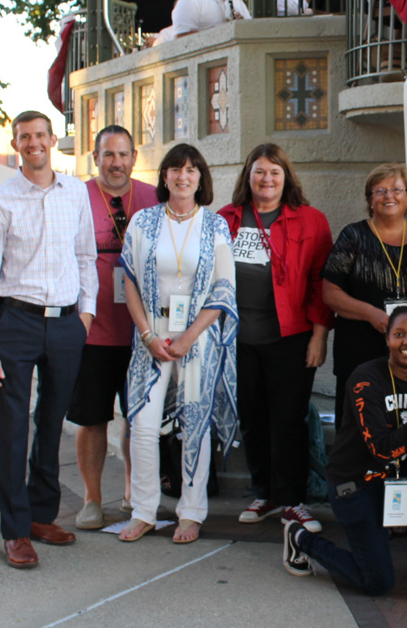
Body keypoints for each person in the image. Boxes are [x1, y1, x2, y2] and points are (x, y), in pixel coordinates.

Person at [283, 305, 407, 596]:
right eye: (399, 334)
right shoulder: (366, 379)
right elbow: (381, 450)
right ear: (387, 338)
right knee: (378, 582)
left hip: (395, 478)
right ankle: (302, 539)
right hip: (355, 483)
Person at [119, 144, 237, 545]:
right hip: (151, 335)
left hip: (197, 339)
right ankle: (144, 510)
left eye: (191, 170)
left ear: (201, 178)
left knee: (195, 424)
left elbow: (223, 291)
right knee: (144, 424)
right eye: (175, 169)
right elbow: (130, 282)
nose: (183, 176)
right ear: (164, 176)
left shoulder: (215, 225)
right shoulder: (143, 221)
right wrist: (149, 335)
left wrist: (188, 337)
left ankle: (191, 512)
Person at [0, 111, 97, 569]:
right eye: (25, 137)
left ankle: (40, 516)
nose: (33, 143)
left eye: (40, 135)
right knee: (12, 428)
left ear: (53, 139)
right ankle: (15, 530)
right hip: (14, 322)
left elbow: (85, 255)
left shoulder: (75, 191)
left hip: (65, 324)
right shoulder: (2, 198)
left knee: (53, 422)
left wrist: (87, 315)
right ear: (16, 144)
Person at [219, 144, 333, 529]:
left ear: (286, 177)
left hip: (291, 337)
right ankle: (264, 494)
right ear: (247, 177)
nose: (266, 179)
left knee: (289, 419)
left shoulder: (311, 221)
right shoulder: (226, 219)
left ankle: (293, 500)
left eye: (274, 172)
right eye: (259, 172)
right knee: (252, 416)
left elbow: (321, 283)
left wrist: (320, 338)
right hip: (237, 340)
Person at [68, 125, 158, 530]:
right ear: (95, 157)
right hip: (92, 330)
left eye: (123, 154)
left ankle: (130, 493)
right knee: (92, 418)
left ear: (134, 157)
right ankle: (91, 499)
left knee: (138, 416)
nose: (116, 163)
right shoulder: (76, 196)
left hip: (143, 331)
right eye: (108, 155)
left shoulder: (153, 197)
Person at [322, 163, 407, 429]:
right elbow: (330, 293)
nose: (389, 196)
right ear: (370, 199)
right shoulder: (353, 236)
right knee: (360, 425)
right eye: (380, 191)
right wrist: (372, 314)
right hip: (360, 350)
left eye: (397, 189)